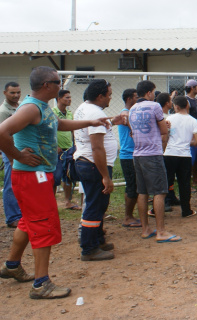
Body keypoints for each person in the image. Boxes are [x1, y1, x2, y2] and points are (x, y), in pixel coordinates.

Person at [0, 66, 112, 299]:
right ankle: (41, 284)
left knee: (27, 222)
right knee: (43, 225)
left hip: (36, 176)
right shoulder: (30, 108)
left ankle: (12, 265)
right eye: (57, 81)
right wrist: (18, 156)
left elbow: (58, 125)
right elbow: (2, 131)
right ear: (46, 85)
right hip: (32, 177)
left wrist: (91, 123)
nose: (60, 85)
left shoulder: (42, 108)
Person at [73, 79, 120, 261]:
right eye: (108, 95)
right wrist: (106, 177)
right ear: (100, 96)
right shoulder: (94, 111)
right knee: (94, 206)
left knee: (99, 204)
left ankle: (98, 239)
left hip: (88, 162)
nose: (110, 98)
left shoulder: (84, 108)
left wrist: (112, 122)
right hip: (94, 165)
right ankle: (89, 248)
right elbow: (97, 148)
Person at [129, 80, 181, 243]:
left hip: (138, 154)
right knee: (160, 191)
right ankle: (161, 231)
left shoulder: (132, 109)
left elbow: (133, 132)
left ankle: (146, 229)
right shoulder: (155, 106)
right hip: (153, 154)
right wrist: (165, 126)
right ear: (150, 93)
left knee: (142, 192)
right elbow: (164, 131)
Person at [164, 95, 197, 218]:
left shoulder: (170, 118)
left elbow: (166, 136)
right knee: (184, 183)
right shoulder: (193, 120)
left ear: (177, 106)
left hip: (169, 153)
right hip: (185, 155)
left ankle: (158, 206)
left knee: (166, 181)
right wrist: (186, 142)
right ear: (187, 105)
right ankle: (186, 210)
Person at [117, 88, 141, 228]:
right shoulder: (125, 113)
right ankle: (128, 217)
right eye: (136, 97)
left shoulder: (132, 113)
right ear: (129, 99)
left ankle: (130, 215)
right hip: (128, 155)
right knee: (132, 186)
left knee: (135, 186)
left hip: (135, 154)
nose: (137, 99)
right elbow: (124, 117)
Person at [53, 89, 80, 210]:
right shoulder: (52, 113)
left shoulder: (69, 114)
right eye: (66, 97)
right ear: (59, 99)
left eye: (70, 97)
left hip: (69, 149)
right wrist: (55, 146)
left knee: (68, 175)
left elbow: (72, 129)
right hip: (56, 150)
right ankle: (51, 202)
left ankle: (68, 201)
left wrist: (75, 145)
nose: (69, 100)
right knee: (55, 177)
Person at [1, 82, 22, 228]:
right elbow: (2, 136)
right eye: (12, 93)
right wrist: (11, 158)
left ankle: (20, 213)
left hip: (20, 149)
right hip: (10, 150)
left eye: (18, 92)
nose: (15, 95)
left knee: (20, 181)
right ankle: (12, 217)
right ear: (5, 93)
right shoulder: (3, 111)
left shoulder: (20, 107)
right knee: (10, 182)